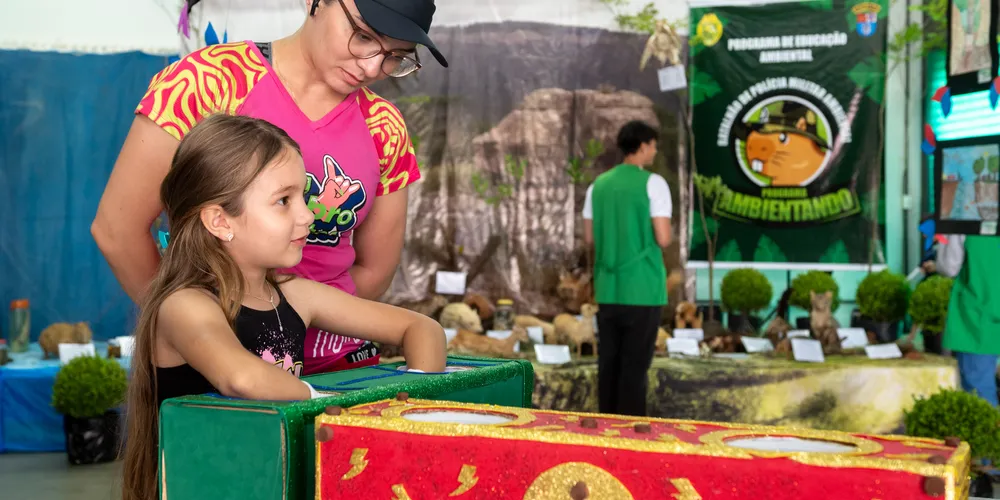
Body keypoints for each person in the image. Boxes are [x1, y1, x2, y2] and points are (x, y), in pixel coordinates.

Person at [91, 0, 448, 375]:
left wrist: (298, 326)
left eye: (396, 56)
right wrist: (195, 331)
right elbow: (117, 231)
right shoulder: (209, 82)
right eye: (362, 37)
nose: (372, 67)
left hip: (339, 362)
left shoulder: (383, 126)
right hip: (216, 363)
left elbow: (375, 270)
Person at [121, 114, 447, 500]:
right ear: (220, 221)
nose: (308, 215)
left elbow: (422, 328)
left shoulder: (296, 295)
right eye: (283, 201)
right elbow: (242, 378)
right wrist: (340, 409)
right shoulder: (185, 306)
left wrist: (413, 414)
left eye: (304, 197)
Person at [582, 120, 672, 416]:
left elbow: (589, 237)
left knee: (609, 365)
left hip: (608, 287)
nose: (654, 152)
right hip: (643, 287)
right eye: (653, 146)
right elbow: (663, 237)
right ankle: (628, 434)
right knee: (634, 368)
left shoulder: (598, 185)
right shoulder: (653, 183)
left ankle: (604, 429)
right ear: (643, 146)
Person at [937, 234, 1000, 407]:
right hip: (981, 314)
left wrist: (944, 235)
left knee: (979, 393)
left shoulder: (963, 223)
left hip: (978, 316)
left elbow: (949, 267)